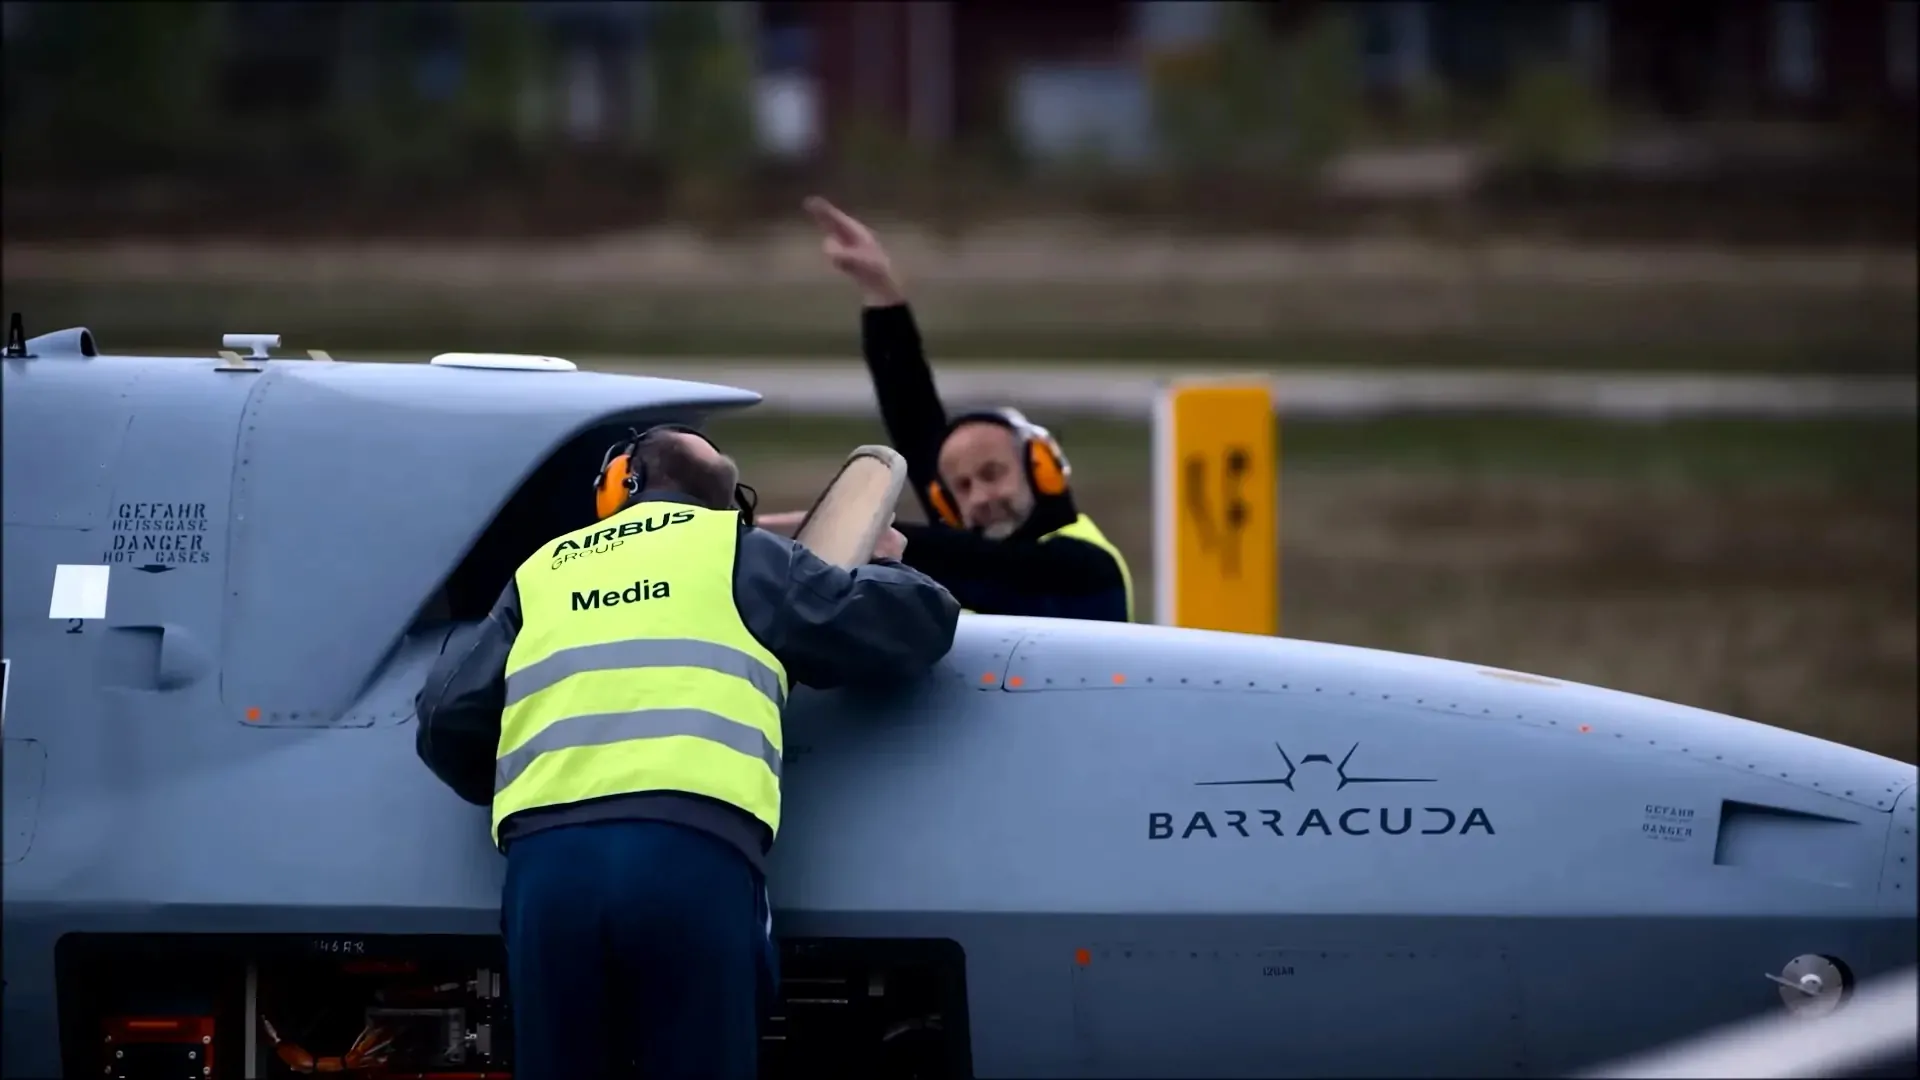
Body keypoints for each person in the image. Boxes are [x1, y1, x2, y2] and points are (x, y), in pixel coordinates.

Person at [413, 423, 959, 1080]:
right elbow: (918, 624)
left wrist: (528, 779)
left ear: (620, 483)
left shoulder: (545, 569)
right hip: (691, 856)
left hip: (548, 867)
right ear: (726, 500)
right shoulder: (738, 551)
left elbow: (447, 715)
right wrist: (885, 564)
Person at [758, 197, 1136, 622]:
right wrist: (879, 290)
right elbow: (913, 419)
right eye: (963, 488)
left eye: (992, 474)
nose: (981, 498)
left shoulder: (1084, 564)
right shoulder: (971, 547)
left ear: (1040, 467)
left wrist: (847, 532)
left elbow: (986, 564)